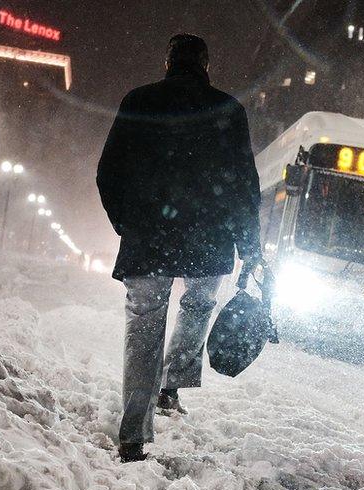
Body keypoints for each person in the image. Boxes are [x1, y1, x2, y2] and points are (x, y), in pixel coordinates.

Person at [96, 34, 262, 463]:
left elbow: (108, 171)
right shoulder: (228, 110)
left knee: (144, 327)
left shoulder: (139, 100)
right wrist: (250, 246)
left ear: (167, 61)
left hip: (149, 239)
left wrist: (126, 223)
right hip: (206, 241)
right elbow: (245, 185)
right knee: (199, 302)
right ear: (207, 66)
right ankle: (172, 384)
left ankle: (133, 434)